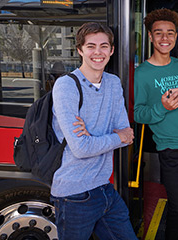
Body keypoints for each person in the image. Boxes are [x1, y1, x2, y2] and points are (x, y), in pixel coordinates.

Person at [50, 22, 137, 240]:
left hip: (105, 188)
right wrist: (115, 136)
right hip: (74, 194)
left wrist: (93, 135)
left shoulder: (113, 82)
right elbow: (81, 149)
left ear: (112, 50)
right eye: (90, 46)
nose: (97, 52)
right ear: (79, 50)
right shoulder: (66, 86)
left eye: (104, 46)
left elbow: (128, 134)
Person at [134, 9, 178, 240]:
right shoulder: (142, 73)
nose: (165, 38)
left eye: (170, 33)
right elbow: (138, 114)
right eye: (159, 33)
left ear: (176, 36)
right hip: (171, 149)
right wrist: (162, 107)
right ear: (151, 37)